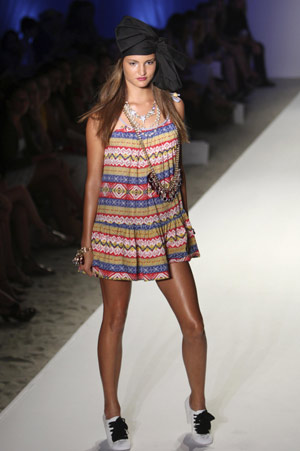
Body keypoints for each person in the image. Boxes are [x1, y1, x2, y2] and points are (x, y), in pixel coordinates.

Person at [75, 16, 215, 450]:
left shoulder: (173, 105)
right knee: (114, 320)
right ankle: (112, 411)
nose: (142, 71)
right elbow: (93, 182)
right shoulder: (101, 118)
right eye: (134, 63)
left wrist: (184, 217)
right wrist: (86, 244)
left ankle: (197, 404)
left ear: (157, 62)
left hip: (164, 226)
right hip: (116, 229)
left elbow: (176, 171)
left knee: (193, 324)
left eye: (149, 62)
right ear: (121, 66)